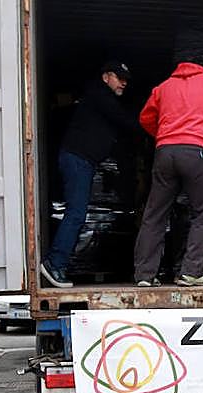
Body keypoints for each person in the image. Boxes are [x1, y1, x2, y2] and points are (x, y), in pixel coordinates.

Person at [133, 61, 203, 287]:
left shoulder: (163, 87)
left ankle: (144, 275)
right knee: (202, 212)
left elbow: (145, 118)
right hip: (196, 152)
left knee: (154, 214)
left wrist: (164, 136)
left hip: (165, 153)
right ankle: (191, 273)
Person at [40, 60, 143, 289]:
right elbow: (125, 121)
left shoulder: (100, 99)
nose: (124, 83)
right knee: (76, 213)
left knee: (77, 212)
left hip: (80, 160)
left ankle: (57, 263)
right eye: (119, 77)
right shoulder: (100, 96)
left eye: (126, 79)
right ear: (106, 77)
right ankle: (55, 263)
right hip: (78, 160)